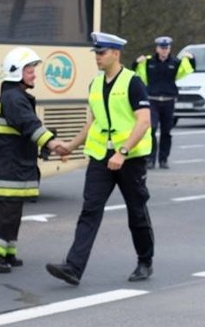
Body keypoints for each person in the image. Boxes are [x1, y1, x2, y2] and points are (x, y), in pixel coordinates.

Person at [46, 31, 154, 286]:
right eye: (95, 53)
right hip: (100, 157)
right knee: (89, 211)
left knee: (136, 211)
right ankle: (73, 267)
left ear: (116, 54)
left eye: (102, 53)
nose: (97, 57)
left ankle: (144, 261)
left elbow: (144, 121)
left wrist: (123, 152)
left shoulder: (132, 82)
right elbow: (93, 122)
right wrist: (70, 145)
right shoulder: (95, 84)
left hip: (129, 158)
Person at [0, 46, 64, 273]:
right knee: (6, 212)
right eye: (30, 69)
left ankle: (6, 251)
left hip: (11, 164)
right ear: (16, 72)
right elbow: (28, 124)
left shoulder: (14, 96)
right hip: (9, 167)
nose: (34, 73)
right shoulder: (14, 98)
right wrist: (52, 143)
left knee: (12, 211)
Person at [132, 36, 195, 169]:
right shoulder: (149, 62)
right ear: (157, 48)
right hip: (153, 100)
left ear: (169, 49)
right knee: (152, 129)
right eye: (162, 48)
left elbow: (188, 69)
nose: (164, 51)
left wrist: (192, 58)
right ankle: (150, 158)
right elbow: (135, 72)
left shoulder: (175, 62)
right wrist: (136, 62)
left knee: (166, 132)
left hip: (168, 100)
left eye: (166, 48)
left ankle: (163, 159)